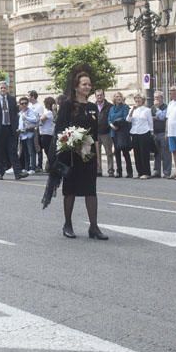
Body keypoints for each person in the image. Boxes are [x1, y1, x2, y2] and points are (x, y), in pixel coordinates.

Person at [53, 67, 107, 240]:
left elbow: (95, 135)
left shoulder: (92, 107)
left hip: (88, 155)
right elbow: (60, 130)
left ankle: (94, 227)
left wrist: (97, 158)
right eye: (84, 84)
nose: (87, 87)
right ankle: (67, 224)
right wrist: (72, 143)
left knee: (91, 191)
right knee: (70, 190)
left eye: (89, 84)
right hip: (71, 155)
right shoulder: (68, 105)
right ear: (76, 86)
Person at [0, 81, 28, 181]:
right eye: (1, 88)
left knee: (13, 151)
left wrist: (16, 126)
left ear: (7, 89)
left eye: (5, 88)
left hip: (9, 129)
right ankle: (0, 172)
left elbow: (15, 114)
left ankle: (18, 172)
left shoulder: (11, 100)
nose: (3, 90)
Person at [127, 93, 154, 179]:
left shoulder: (147, 110)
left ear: (143, 100)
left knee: (144, 154)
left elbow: (150, 123)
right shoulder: (132, 109)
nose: (137, 100)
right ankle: (140, 172)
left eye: (139, 98)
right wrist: (132, 111)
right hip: (135, 133)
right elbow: (128, 120)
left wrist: (151, 133)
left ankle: (146, 172)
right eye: (136, 98)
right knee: (136, 154)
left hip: (144, 133)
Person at [107, 92, 132, 178]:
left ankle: (129, 172)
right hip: (114, 132)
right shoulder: (112, 108)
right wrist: (112, 125)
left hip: (122, 132)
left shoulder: (125, 107)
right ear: (114, 98)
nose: (118, 98)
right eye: (117, 96)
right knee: (117, 152)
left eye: (120, 96)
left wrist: (116, 124)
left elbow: (125, 118)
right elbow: (109, 119)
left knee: (125, 152)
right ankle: (119, 171)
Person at [151, 91, 171, 178]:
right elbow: (150, 118)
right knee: (156, 153)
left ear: (162, 98)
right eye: (155, 97)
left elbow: (163, 117)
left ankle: (166, 172)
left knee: (166, 153)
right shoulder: (152, 108)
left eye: (157, 97)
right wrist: (155, 117)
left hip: (163, 132)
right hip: (155, 132)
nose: (156, 99)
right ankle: (157, 171)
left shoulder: (166, 107)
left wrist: (157, 110)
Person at [94, 89, 113, 177]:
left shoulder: (109, 106)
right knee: (97, 153)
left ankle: (110, 170)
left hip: (106, 132)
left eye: (101, 95)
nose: (99, 97)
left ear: (104, 96)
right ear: (95, 96)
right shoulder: (93, 106)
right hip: (96, 133)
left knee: (109, 152)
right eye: (97, 95)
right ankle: (98, 170)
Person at [17, 96, 39, 174]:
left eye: (25, 103)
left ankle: (32, 168)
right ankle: (26, 168)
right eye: (22, 103)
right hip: (22, 134)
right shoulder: (20, 113)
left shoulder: (30, 111)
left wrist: (26, 117)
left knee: (31, 151)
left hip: (29, 134)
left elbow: (35, 119)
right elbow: (20, 123)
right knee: (25, 152)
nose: (24, 105)